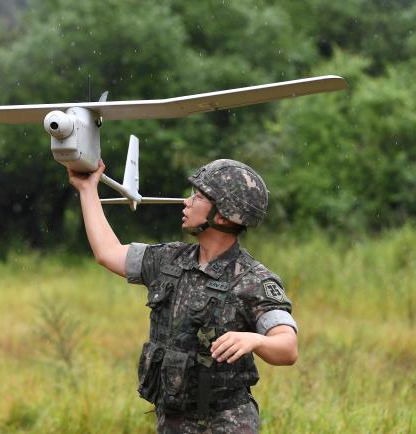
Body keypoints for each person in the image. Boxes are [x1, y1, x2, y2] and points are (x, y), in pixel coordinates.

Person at [67, 158, 298, 434]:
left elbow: (287, 347)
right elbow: (107, 253)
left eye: (198, 197)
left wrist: (255, 339)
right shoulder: (170, 259)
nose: (186, 203)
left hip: (227, 424)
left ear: (223, 215)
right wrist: (87, 189)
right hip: (172, 422)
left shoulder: (253, 280)